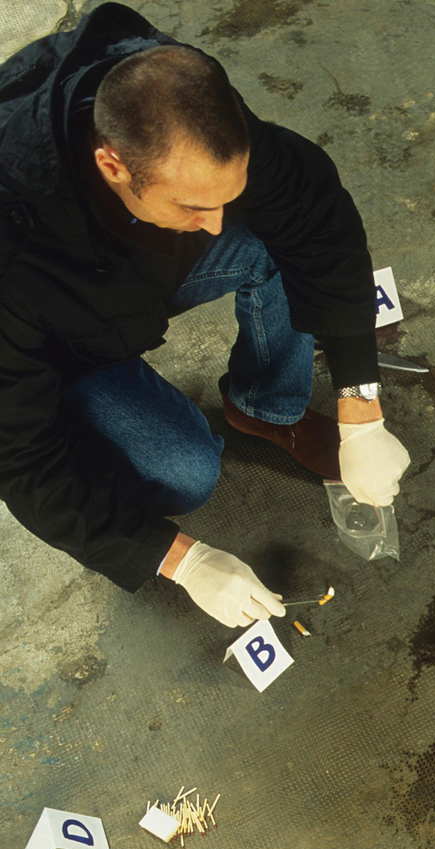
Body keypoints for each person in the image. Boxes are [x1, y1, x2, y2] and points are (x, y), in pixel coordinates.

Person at [0, 1, 410, 629]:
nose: (217, 224)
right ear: (113, 165)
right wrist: (178, 558)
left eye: (227, 196)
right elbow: (23, 459)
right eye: (195, 205)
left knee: (274, 240)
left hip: (135, 280)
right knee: (186, 474)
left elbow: (313, 215)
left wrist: (361, 401)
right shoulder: (14, 251)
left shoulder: (181, 106)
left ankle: (264, 405)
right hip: (53, 349)